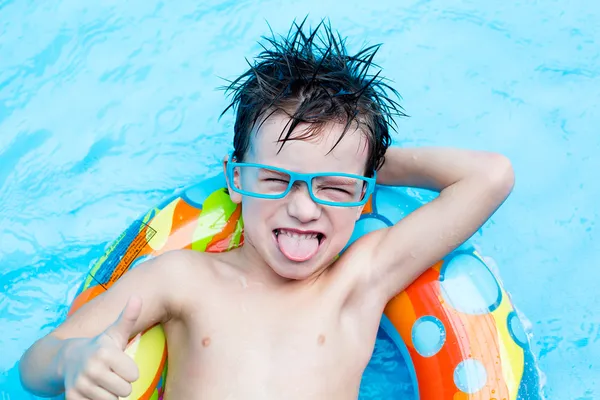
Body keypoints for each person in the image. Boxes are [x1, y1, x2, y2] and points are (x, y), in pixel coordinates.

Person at [19, 19, 515, 400]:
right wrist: (73, 361)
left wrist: (365, 163)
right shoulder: (183, 278)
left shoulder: (359, 283)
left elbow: (490, 177)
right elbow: (33, 361)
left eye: (333, 187)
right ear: (236, 180)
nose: (302, 208)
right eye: (277, 180)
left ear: (364, 194)